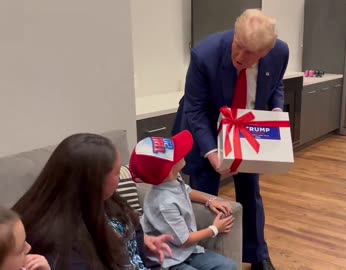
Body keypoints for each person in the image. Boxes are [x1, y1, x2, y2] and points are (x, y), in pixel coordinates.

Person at [172, 9, 288, 269]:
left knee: (250, 192)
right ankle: (205, 255)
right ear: (235, 34)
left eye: (250, 54)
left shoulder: (280, 52)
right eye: (238, 46)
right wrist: (212, 152)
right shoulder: (205, 54)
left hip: (245, 131)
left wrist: (277, 110)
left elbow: (276, 84)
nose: (239, 56)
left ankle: (258, 255)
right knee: (206, 198)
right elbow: (196, 109)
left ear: (266, 52)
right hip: (205, 130)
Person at [12, 133, 173, 270]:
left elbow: (123, 234)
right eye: (117, 172)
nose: (127, 174)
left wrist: (139, 242)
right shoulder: (59, 242)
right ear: (94, 182)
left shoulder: (105, 201)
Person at [129, 131, 237, 270]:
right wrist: (215, 229)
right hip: (168, 259)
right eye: (177, 154)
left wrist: (209, 200)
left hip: (187, 252)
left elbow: (186, 190)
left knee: (229, 266)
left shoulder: (172, 179)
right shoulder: (164, 203)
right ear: (168, 170)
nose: (184, 153)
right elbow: (184, 240)